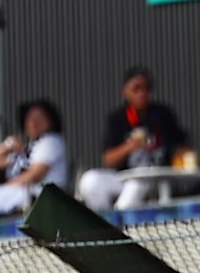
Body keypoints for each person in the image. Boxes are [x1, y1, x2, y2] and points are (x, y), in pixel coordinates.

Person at [79, 68, 193, 216]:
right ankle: (106, 221)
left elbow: (184, 145)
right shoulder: (118, 118)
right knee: (90, 180)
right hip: (124, 178)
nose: (142, 94)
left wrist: (181, 153)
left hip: (156, 179)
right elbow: (108, 160)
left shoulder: (162, 114)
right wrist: (129, 147)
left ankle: (118, 223)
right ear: (125, 92)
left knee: (140, 179)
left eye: (146, 89)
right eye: (136, 89)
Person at [0, 97, 70, 225]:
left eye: (39, 118)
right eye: (30, 118)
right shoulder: (28, 147)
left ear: (50, 120)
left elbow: (34, 175)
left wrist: (5, 187)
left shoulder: (51, 141)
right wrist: (8, 145)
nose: (34, 122)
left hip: (38, 194)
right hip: (19, 191)